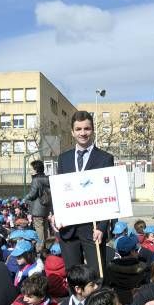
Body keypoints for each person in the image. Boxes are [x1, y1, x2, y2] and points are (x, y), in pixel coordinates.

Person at [55, 110, 115, 273]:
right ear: (72, 132)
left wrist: (102, 227)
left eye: (87, 129)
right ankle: (76, 299)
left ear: (92, 130)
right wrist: (55, 215)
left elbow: (108, 195)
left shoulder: (105, 158)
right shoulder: (63, 158)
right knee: (74, 276)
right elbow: (59, 191)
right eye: (79, 129)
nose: (83, 133)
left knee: (97, 275)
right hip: (68, 228)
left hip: (93, 228)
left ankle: (96, 300)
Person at [23, 160, 52, 250]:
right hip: (46, 206)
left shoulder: (35, 179)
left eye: (31, 169)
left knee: (39, 227)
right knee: (45, 227)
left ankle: (40, 247)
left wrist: (25, 198)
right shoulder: (47, 178)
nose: (30, 171)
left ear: (36, 169)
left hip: (37, 208)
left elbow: (32, 194)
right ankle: (48, 246)